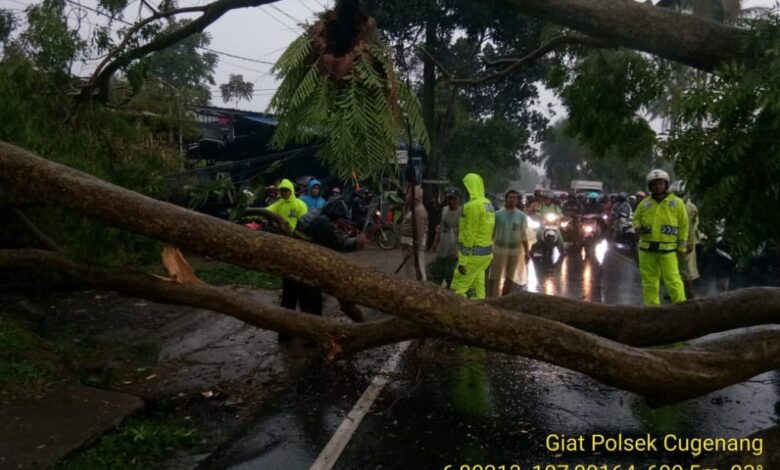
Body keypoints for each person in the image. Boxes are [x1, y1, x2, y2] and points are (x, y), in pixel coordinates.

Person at [278, 196, 368, 340]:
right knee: (312, 304)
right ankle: (312, 337)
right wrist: (356, 241)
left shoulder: (314, 214)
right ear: (334, 213)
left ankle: (284, 335)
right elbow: (337, 243)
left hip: (291, 261)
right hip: (306, 267)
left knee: (289, 302)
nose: (336, 221)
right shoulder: (323, 222)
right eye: (336, 218)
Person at [633, 169, 690, 306]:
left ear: (666, 184)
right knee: (649, 281)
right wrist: (639, 228)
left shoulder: (677, 203)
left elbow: (683, 226)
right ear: (650, 186)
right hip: (647, 249)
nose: (657, 186)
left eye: (660, 183)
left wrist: (682, 246)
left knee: (673, 279)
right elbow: (635, 220)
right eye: (654, 184)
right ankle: (652, 309)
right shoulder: (645, 203)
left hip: (668, 250)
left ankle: (682, 308)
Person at [450, 173, 495, 299]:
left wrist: (463, 261)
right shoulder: (488, 203)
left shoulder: (471, 206)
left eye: (466, 187)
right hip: (486, 253)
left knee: (459, 287)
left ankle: (457, 314)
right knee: (479, 286)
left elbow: (469, 234)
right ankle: (483, 309)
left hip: (473, 253)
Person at [488, 190, 530, 297]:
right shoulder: (497, 214)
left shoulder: (521, 216)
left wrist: (527, 252)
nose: (512, 200)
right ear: (506, 199)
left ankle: (503, 298)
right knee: (495, 275)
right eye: (510, 197)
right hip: (498, 248)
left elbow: (523, 235)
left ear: (517, 200)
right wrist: (487, 248)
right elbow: (491, 233)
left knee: (510, 276)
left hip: (514, 249)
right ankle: (493, 299)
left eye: (515, 198)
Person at [671, 180, 700, 299]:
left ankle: (689, 294)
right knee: (676, 268)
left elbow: (690, 227)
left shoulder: (688, 207)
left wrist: (690, 242)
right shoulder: (678, 205)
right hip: (677, 240)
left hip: (686, 240)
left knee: (686, 270)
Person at [429, 190, 461, 288]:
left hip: (453, 249)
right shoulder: (444, 210)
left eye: (453, 199)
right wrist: (435, 243)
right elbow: (440, 228)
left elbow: (463, 233)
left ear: (458, 200)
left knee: (451, 275)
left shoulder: (461, 212)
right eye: (449, 198)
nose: (451, 201)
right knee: (438, 274)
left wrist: (458, 251)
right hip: (442, 247)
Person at [399, 184, 428, 281]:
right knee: (410, 269)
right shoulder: (413, 209)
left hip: (412, 245)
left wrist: (415, 245)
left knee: (416, 268)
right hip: (409, 244)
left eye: (409, 194)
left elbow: (419, 231)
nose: (407, 196)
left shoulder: (419, 211)